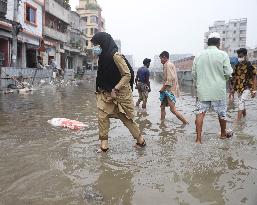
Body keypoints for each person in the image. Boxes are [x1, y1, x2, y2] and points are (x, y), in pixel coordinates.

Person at [91, 32, 146, 153]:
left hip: (119, 94)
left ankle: (140, 140)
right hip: (105, 93)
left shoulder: (116, 56)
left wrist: (115, 88)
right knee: (102, 117)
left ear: (103, 43)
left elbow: (127, 75)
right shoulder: (102, 58)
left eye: (96, 45)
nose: (94, 47)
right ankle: (104, 146)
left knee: (126, 118)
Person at [192, 32, 233, 144]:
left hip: (203, 91)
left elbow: (194, 74)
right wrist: (221, 79)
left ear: (208, 43)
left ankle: (198, 139)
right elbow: (228, 73)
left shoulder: (199, 55)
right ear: (218, 42)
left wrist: (201, 82)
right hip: (218, 90)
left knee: (200, 113)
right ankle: (223, 135)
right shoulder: (223, 54)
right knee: (222, 113)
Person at [159, 51, 188, 124]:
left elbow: (170, 79)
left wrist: (162, 89)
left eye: (161, 59)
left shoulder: (168, 65)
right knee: (162, 107)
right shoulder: (167, 64)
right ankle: (162, 123)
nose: (160, 61)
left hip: (169, 91)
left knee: (173, 110)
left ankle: (185, 123)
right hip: (166, 91)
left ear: (165, 57)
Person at [231, 48, 256, 121]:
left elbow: (254, 77)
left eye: (241, 56)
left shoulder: (249, 65)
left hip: (247, 87)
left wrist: (254, 90)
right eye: (238, 56)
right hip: (239, 87)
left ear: (245, 55)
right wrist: (232, 88)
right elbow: (234, 77)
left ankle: (238, 122)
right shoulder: (237, 65)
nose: (239, 58)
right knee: (241, 102)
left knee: (241, 102)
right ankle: (244, 117)